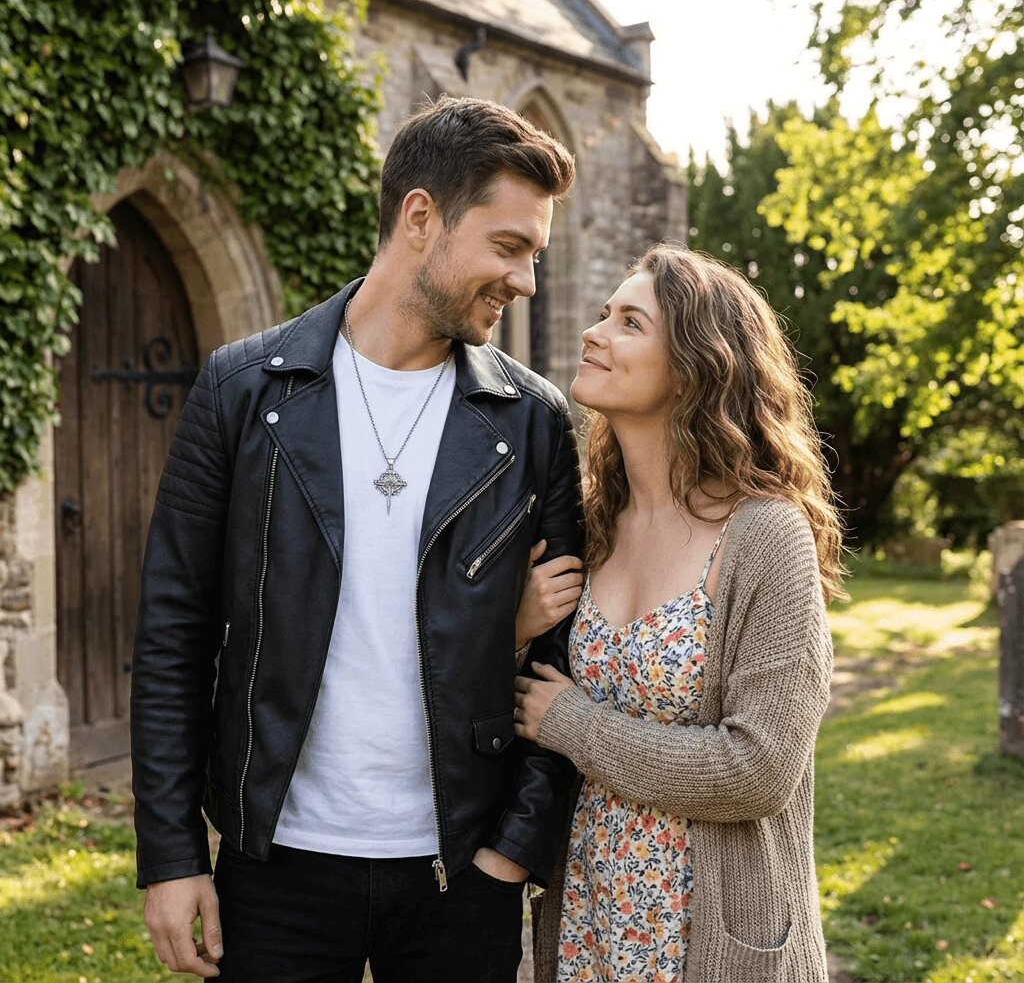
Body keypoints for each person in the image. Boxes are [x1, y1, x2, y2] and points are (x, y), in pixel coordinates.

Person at [130, 95, 586, 983]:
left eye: (537, 255)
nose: (527, 281)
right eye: (509, 247)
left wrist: (509, 859)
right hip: (276, 871)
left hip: (462, 873)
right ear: (421, 218)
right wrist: (173, 854)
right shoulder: (240, 392)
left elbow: (565, 662)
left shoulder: (533, 423)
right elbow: (171, 636)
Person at [513, 244, 845, 983]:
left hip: (712, 942)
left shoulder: (765, 535)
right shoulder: (590, 520)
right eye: (603, 315)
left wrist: (575, 725)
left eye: (630, 322)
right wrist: (513, 633)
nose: (595, 332)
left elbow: (761, 769)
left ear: (698, 365)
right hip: (587, 933)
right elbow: (519, 699)